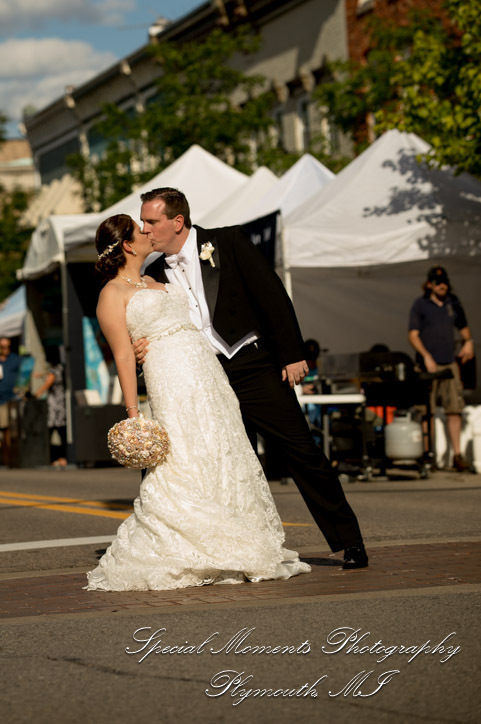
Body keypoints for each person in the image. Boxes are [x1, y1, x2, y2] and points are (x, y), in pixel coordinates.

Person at [136, 187, 368, 569]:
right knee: (229, 467)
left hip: (253, 365)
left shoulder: (228, 241)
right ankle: (242, 552)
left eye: (151, 221)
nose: (145, 229)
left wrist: (292, 353)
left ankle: (349, 542)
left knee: (301, 452)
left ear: (177, 221)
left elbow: (271, 294)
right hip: (205, 377)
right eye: (143, 222)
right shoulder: (154, 274)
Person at [85, 214, 311, 591]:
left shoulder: (157, 281)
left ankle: (236, 534)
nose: (148, 232)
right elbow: (123, 354)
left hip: (207, 372)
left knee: (222, 447)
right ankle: (190, 539)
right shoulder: (111, 294)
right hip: (170, 377)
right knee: (184, 452)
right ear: (126, 245)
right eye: (140, 229)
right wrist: (133, 414)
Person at [408, 265, 474, 472]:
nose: (442, 286)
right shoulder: (420, 304)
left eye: (444, 282)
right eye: (438, 283)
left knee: (454, 409)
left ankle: (457, 455)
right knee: (426, 410)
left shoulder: (452, 302)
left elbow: (464, 328)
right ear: (430, 285)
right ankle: (427, 455)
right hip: (427, 365)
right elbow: (413, 335)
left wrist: (468, 342)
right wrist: (426, 356)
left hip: (449, 363)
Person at [0, 336, 21, 465]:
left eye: (7, 346)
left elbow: (24, 375)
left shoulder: (16, 359)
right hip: (1, 400)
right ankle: (7, 458)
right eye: (2, 347)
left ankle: (16, 456)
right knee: (4, 429)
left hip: (15, 398)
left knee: (15, 429)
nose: (5, 349)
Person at [33, 347, 67, 468]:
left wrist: (37, 393)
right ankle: (62, 457)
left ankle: (55, 457)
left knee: (53, 431)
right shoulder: (60, 368)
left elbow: (49, 382)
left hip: (55, 406)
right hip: (61, 403)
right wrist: (42, 375)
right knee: (61, 431)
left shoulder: (54, 370)